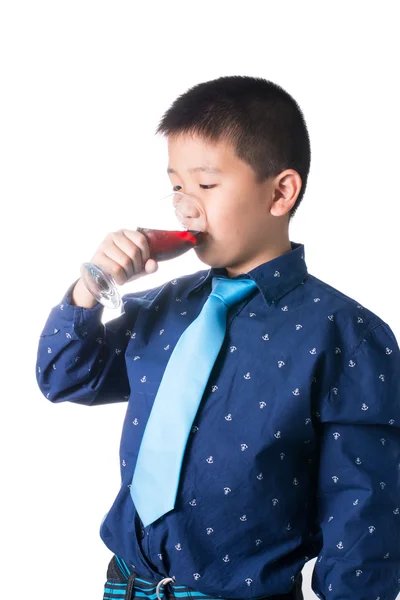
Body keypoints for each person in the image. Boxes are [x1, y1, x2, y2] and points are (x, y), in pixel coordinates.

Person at [36, 75, 400, 600]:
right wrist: (90, 288)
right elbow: (63, 377)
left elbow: (363, 518)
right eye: (177, 186)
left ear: (281, 192)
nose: (186, 206)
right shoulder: (162, 307)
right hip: (124, 587)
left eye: (206, 186)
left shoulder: (346, 335)